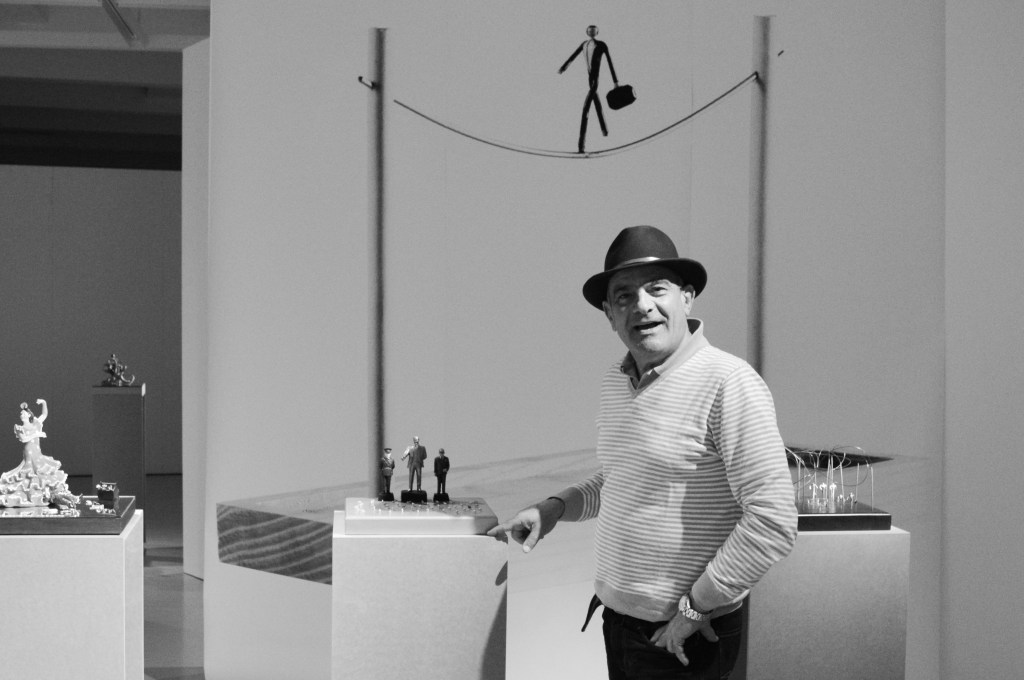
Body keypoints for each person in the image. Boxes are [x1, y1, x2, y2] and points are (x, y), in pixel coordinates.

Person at [489, 226, 797, 679]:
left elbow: (773, 519)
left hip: (685, 636)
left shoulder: (729, 382)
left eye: (657, 289)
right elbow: (621, 476)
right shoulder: (616, 381)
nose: (642, 305)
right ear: (610, 315)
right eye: (624, 296)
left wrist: (695, 608)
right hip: (620, 624)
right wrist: (554, 509)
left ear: (687, 298)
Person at [558, 25, 618, 154]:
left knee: (585, 108)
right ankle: (604, 130)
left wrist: (615, 82)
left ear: (597, 32)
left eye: (594, 30)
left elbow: (610, 62)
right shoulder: (584, 44)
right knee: (596, 102)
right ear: (587, 32)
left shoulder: (601, 45)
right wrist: (564, 67)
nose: (591, 32)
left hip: (595, 81)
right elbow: (573, 56)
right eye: (590, 30)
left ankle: (581, 146)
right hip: (590, 80)